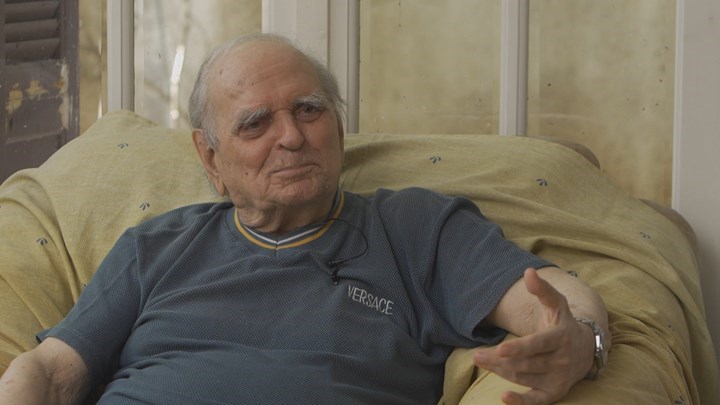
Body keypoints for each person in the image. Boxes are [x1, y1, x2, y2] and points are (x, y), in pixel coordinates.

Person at [0, 33, 610, 405]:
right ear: (210, 159)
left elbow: (552, 299)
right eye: (255, 123)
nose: (291, 136)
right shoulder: (155, 247)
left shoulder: (414, 228)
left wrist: (582, 340)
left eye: (309, 110)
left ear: (338, 128)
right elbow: (52, 373)